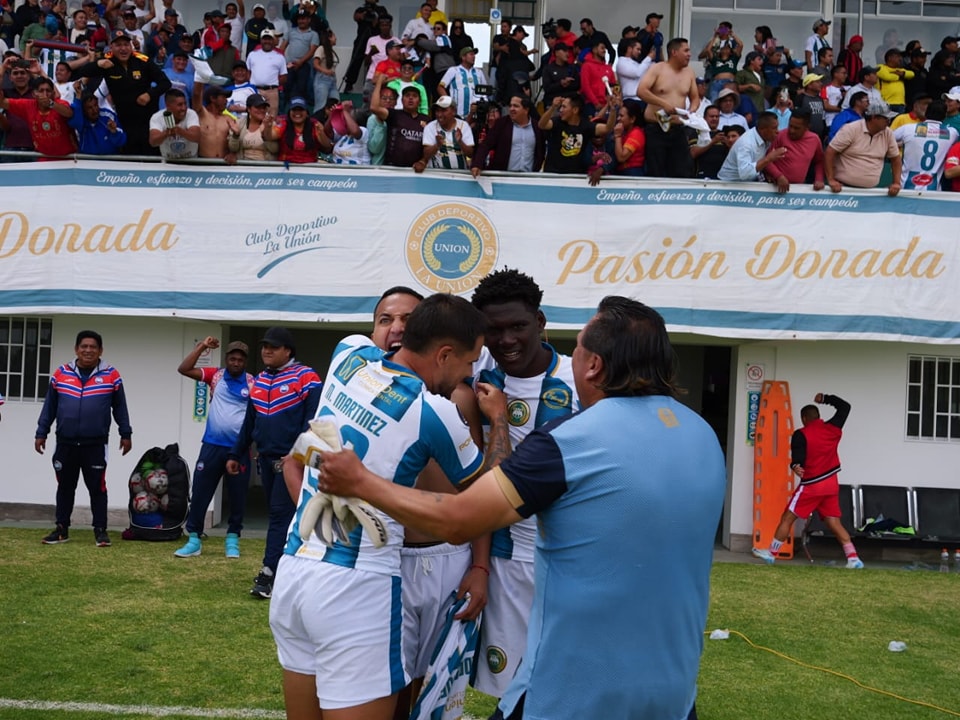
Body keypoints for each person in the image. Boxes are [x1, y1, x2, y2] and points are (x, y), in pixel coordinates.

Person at [317, 295, 726, 720]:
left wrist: (361, 481)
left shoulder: (569, 442)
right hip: (673, 694)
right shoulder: (703, 436)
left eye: (578, 347)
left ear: (593, 367)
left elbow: (459, 519)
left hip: (572, 694)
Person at [269, 294, 510, 720]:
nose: (469, 375)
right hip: (358, 584)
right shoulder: (436, 412)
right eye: (469, 363)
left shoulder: (349, 352)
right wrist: (499, 419)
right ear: (445, 354)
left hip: (295, 569)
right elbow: (492, 497)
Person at [466, 269, 581, 703]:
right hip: (507, 559)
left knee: (567, 681)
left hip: (570, 554)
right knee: (512, 688)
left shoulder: (577, 380)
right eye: (494, 330)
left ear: (541, 321)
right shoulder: (477, 382)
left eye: (518, 326)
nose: (507, 340)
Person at [227, 327, 322, 599]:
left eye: (274, 346)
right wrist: (236, 453)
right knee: (282, 515)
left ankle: (269, 573)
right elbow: (249, 422)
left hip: (292, 461)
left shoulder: (307, 378)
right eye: (265, 346)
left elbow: (314, 421)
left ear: (288, 351)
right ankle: (295, 569)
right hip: (266, 459)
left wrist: (297, 455)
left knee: (281, 515)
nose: (267, 350)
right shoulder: (258, 380)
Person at [35, 330, 133, 548]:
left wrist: (126, 433)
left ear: (100, 351)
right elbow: (49, 407)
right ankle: (61, 529)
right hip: (65, 443)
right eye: (84, 346)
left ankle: (101, 531)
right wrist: (41, 432)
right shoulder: (61, 374)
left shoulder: (111, 375)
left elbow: (120, 407)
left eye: (93, 347)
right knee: (65, 487)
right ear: (76, 349)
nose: (88, 350)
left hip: (95, 444)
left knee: (97, 488)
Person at [753, 394, 863, 569]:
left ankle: (771, 554)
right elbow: (845, 407)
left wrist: (795, 466)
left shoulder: (800, 434)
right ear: (818, 417)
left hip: (812, 485)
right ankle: (853, 558)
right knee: (833, 521)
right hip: (831, 483)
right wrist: (826, 398)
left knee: (788, 517)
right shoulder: (833, 428)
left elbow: (798, 459)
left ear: (804, 418)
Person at [174, 337, 254, 559]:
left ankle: (232, 540)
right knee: (200, 492)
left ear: (244, 362)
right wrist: (201, 346)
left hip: (238, 450)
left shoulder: (253, 383)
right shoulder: (215, 376)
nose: (236, 362)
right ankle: (194, 539)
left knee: (238, 496)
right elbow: (184, 369)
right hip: (211, 446)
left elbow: (257, 417)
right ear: (227, 359)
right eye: (232, 358)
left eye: (240, 359)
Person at [73, 30, 171, 155]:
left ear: (131, 46)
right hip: (125, 122)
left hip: (148, 121)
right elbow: (83, 72)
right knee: (130, 161)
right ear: (111, 47)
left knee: (151, 158)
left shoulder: (143, 61)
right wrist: (98, 63)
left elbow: (165, 83)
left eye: (126, 44)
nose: (123, 49)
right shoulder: (107, 62)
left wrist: (150, 94)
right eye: (118, 45)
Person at [637, 37, 699, 178]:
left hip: (678, 128)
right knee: (655, 171)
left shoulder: (689, 72)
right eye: (686, 50)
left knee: (683, 171)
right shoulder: (657, 68)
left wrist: (693, 110)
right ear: (674, 52)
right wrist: (663, 103)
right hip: (656, 128)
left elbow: (695, 97)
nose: (689, 54)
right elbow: (641, 91)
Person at [825, 101, 902, 194]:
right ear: (874, 117)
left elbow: (896, 159)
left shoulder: (888, 133)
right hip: (842, 188)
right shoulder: (851, 129)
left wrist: (896, 183)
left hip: (871, 191)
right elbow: (830, 152)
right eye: (886, 118)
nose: (889, 121)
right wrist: (831, 179)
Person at [470, 94, 544, 175]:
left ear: (526, 109)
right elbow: (485, 145)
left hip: (528, 178)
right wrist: (477, 164)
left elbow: (540, 152)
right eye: (510, 106)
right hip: (504, 178)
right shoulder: (501, 124)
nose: (511, 109)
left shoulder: (537, 127)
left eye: (516, 106)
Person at [893, 100, 958, 190]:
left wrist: (899, 144)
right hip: (933, 190)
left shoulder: (908, 129)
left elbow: (887, 138)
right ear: (944, 116)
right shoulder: (952, 133)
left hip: (905, 187)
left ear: (926, 113)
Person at [764, 108, 825, 193]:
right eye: (790, 126)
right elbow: (766, 160)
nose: (792, 130)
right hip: (776, 188)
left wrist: (819, 178)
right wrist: (778, 176)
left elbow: (819, 161)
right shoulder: (780, 136)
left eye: (797, 128)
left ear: (807, 127)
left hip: (798, 189)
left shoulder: (814, 139)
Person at [717, 111, 783, 181]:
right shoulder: (745, 143)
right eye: (774, 128)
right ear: (762, 129)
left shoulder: (767, 138)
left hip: (748, 182)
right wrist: (768, 159)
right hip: (727, 184)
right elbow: (745, 174)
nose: (777, 131)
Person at [418, 94, 473, 171]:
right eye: (437, 110)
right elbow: (426, 155)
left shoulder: (464, 126)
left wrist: (460, 142)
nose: (439, 114)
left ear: (454, 111)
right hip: (438, 175)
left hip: (460, 176)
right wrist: (437, 145)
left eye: (443, 110)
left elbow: (470, 154)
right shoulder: (430, 127)